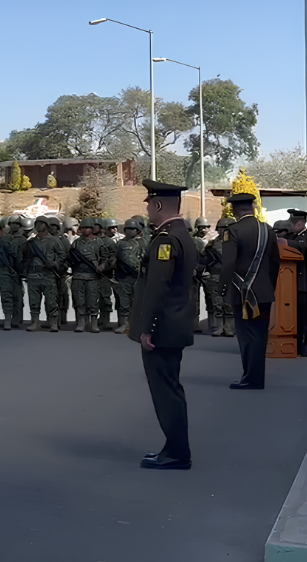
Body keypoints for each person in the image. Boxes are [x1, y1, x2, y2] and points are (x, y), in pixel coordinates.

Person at [130, 179, 199, 470]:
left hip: (164, 329)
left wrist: (148, 328)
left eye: (149, 203)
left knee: (166, 391)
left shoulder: (166, 239)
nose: (147, 208)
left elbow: (158, 286)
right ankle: (174, 448)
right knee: (170, 388)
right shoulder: (181, 234)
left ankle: (176, 453)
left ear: (158, 205)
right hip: (175, 324)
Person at [220, 193, 281, 390]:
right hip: (264, 292)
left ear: (236, 210)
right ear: (253, 207)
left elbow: (228, 264)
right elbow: (275, 262)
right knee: (260, 336)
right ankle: (256, 378)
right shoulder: (268, 230)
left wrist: (223, 290)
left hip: (242, 293)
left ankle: (250, 378)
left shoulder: (233, 230)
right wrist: (269, 286)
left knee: (247, 337)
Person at [23, 216, 66, 332]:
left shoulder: (54, 240)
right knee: (34, 301)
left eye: (42, 224)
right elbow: (24, 255)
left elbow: (62, 256)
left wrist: (55, 263)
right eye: (37, 224)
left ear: (47, 226)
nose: (39, 226)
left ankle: (53, 323)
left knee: (51, 300)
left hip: (48, 274)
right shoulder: (32, 242)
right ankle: (35, 322)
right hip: (33, 274)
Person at [69, 218, 105, 334]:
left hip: (92, 276)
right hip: (78, 275)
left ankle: (94, 323)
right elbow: (71, 257)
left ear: (92, 228)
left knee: (92, 300)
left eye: (88, 228)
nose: (85, 230)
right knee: (79, 301)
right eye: (83, 228)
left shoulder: (98, 242)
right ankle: (81, 322)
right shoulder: (76, 242)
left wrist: (102, 267)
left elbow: (105, 257)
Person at [281, 209, 307, 356]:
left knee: (304, 319)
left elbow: (303, 248)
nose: (290, 227)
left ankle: (306, 346)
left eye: (294, 224)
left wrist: (285, 242)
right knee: (295, 317)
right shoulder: (292, 236)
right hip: (291, 285)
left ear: (301, 223)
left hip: (304, 285)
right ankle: (296, 345)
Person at [113, 219, 148, 335]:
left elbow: (147, 259)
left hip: (139, 277)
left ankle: (138, 325)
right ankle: (124, 324)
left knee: (139, 302)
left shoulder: (143, 243)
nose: (129, 231)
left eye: (132, 229)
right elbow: (114, 259)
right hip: (124, 277)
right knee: (124, 301)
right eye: (127, 229)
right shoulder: (120, 244)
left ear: (138, 231)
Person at [201, 218, 235, 338]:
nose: (224, 231)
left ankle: (229, 328)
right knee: (216, 303)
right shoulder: (211, 244)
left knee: (229, 303)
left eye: (227, 228)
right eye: (222, 228)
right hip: (215, 276)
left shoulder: (236, 244)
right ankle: (218, 327)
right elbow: (203, 260)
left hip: (230, 276)